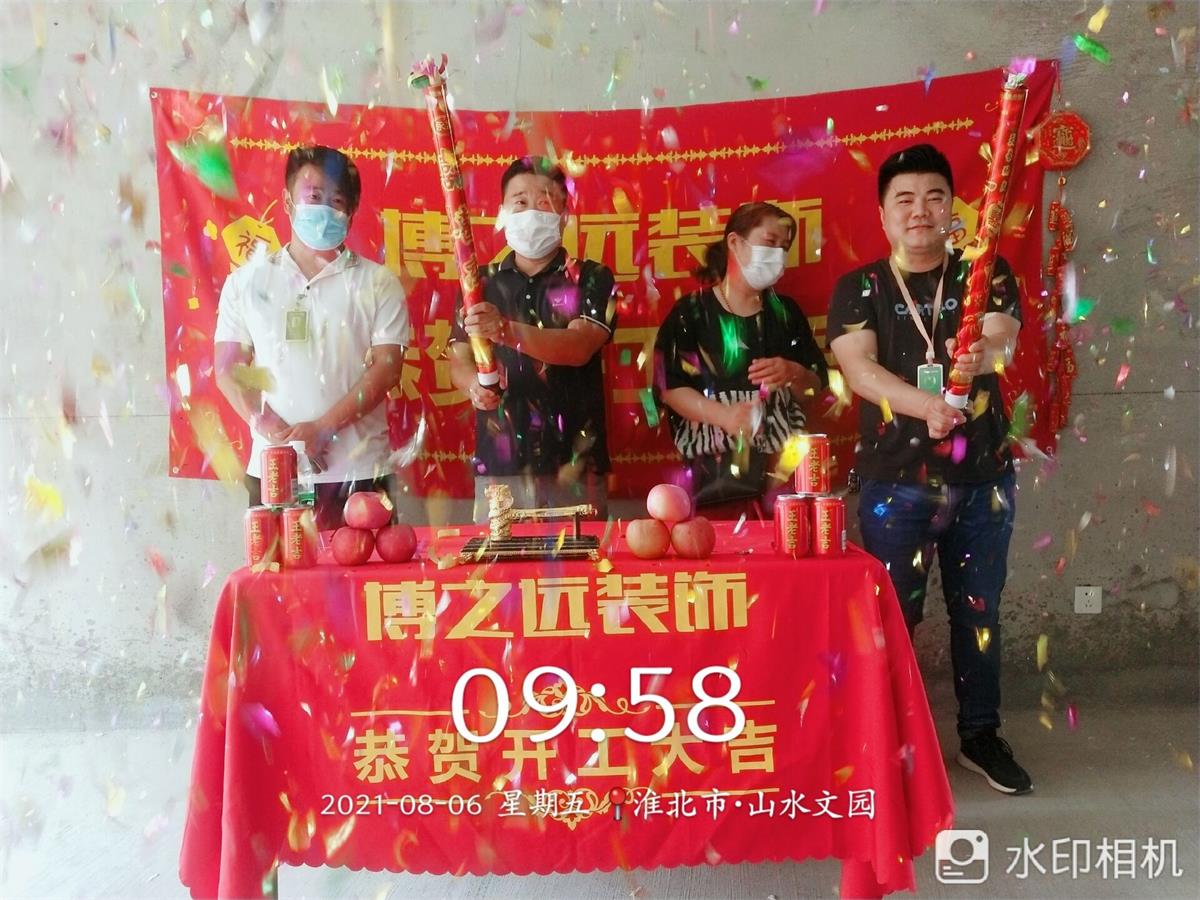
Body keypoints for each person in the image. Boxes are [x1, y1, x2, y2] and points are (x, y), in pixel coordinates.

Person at [826, 143, 1031, 794]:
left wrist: (979, 357)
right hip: (896, 483)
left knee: (979, 613)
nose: (920, 210)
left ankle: (980, 735)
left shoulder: (985, 271)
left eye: (935, 197)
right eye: (905, 199)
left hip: (982, 480)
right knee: (893, 620)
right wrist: (928, 406)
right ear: (884, 214)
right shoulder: (859, 287)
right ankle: (889, 740)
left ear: (952, 209)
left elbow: (1001, 339)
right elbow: (859, 370)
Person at [214, 145, 409, 529]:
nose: (324, 209)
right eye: (314, 196)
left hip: (360, 472)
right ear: (288, 202)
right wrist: (271, 429)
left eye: (336, 201)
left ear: (351, 212)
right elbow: (228, 368)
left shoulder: (377, 282)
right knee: (275, 568)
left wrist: (323, 429)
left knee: (368, 568)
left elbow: (387, 369)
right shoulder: (247, 281)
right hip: (274, 471)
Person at [449, 156, 617, 523]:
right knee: (499, 559)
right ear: (503, 213)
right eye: (520, 202)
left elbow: (579, 346)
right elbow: (459, 358)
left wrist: (504, 330)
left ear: (564, 214)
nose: (531, 212)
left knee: (581, 560)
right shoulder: (478, 284)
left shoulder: (592, 277)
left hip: (574, 464)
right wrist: (473, 386)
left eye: (544, 201)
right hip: (500, 463)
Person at [654, 202, 827, 519]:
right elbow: (669, 388)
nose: (777, 254)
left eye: (784, 247)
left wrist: (794, 373)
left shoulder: (786, 313)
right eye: (770, 242)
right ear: (735, 242)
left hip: (782, 475)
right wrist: (725, 416)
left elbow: (815, 387)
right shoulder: (691, 313)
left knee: (786, 546)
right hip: (713, 476)